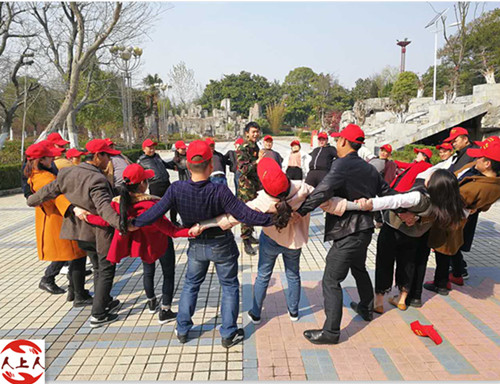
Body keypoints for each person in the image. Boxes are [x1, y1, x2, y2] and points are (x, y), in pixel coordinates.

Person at [130, 140, 274, 348]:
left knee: (191, 285)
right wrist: (274, 219)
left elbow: (155, 212)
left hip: (196, 246)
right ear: (210, 166)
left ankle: (182, 328)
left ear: (188, 166)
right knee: (229, 286)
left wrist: (133, 223)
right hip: (221, 245)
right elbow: (245, 214)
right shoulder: (219, 191)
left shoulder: (177, 188)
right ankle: (228, 334)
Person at [196, 158, 346, 324]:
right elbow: (327, 202)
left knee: (263, 276)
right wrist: (358, 205)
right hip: (294, 242)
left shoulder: (262, 201)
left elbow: (233, 217)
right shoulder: (303, 188)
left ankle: (256, 313)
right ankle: (294, 311)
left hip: (271, 240)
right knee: (293, 275)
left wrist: (204, 224)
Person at [294, 124, 396, 345]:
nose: (336, 142)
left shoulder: (341, 164)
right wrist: (406, 208)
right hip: (365, 230)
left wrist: (299, 212)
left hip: (348, 232)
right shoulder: (369, 168)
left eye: (338, 139)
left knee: (331, 280)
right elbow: (388, 193)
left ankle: (331, 332)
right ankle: (366, 308)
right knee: (359, 268)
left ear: (343, 142)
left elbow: (322, 191)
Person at [26, 139, 123, 327]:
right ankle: (99, 314)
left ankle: (103, 300)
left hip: (78, 233)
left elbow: (43, 194)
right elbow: (103, 208)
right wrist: (123, 224)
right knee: (105, 270)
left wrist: (32, 200)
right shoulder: (97, 179)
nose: (109, 160)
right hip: (98, 232)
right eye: (107, 156)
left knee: (97, 267)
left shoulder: (67, 173)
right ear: (97, 156)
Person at [85, 164, 192, 324]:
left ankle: (150, 302)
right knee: (168, 274)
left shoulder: (119, 203)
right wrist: (193, 230)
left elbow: (106, 220)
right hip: (161, 244)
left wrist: (87, 217)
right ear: (142, 184)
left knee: (148, 272)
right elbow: (171, 230)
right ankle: (165, 310)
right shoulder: (151, 205)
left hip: (142, 247)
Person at [356, 169, 465, 312]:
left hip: (392, 230)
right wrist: (417, 218)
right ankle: (402, 299)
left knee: (384, 262)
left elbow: (395, 200)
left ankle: (379, 302)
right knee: (408, 264)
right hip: (414, 236)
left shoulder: (418, 196)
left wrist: (370, 203)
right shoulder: (446, 204)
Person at [424, 140, 500, 295]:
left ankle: (441, 283)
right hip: (457, 214)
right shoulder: (478, 172)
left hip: (451, 216)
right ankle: (457, 274)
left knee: (443, 250)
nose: (475, 159)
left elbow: (452, 200)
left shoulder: (484, 186)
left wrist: (432, 186)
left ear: (487, 163)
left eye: (479, 157)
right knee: (453, 246)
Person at [25, 142, 91, 307]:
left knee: (74, 257)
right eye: (49, 157)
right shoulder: (44, 177)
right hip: (59, 220)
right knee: (77, 257)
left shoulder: (36, 174)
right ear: (41, 159)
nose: (53, 158)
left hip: (56, 219)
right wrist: (74, 208)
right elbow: (57, 197)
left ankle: (74, 291)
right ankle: (79, 295)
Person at [237, 122, 262, 255]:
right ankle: (246, 239)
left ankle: (250, 234)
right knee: (246, 212)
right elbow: (243, 169)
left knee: (253, 211)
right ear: (247, 133)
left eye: (257, 131)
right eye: (253, 132)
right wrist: (257, 162)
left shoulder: (256, 146)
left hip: (255, 184)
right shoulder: (243, 148)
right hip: (246, 186)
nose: (256, 134)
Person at [138, 138, 178, 223]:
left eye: (153, 147)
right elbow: (138, 173)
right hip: (155, 185)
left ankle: (174, 222)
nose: (152, 149)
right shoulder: (141, 161)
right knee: (157, 207)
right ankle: (158, 224)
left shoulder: (157, 156)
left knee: (174, 202)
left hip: (166, 182)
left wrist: (173, 166)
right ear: (144, 149)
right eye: (149, 147)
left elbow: (164, 164)